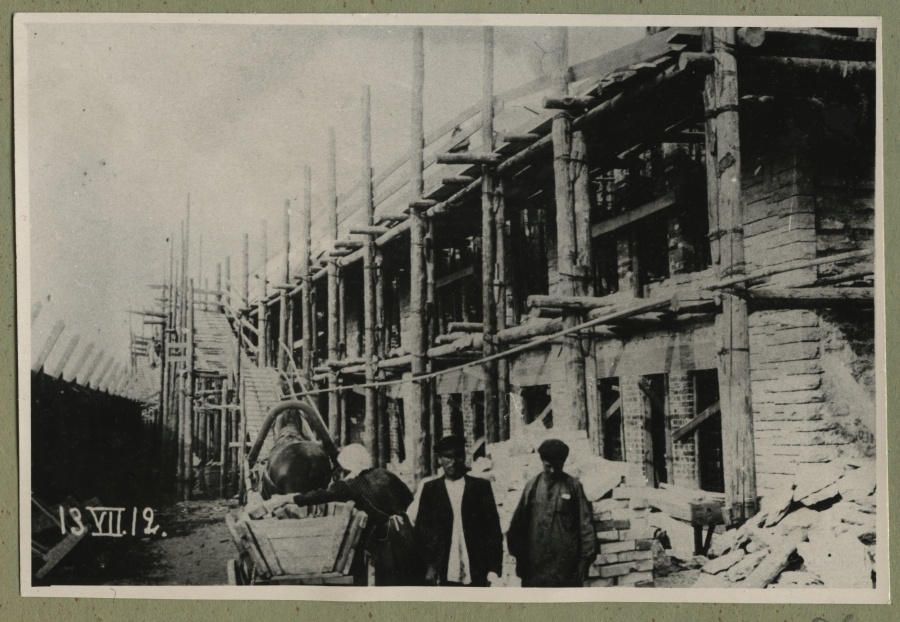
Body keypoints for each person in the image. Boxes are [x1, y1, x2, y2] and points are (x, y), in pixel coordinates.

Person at [253, 443, 424, 586]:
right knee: (411, 579)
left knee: (389, 582)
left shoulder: (348, 485)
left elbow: (317, 496)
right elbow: (409, 499)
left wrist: (286, 499)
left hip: (383, 540)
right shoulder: (385, 474)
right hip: (406, 532)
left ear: (347, 465)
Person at [413, 435, 503, 587]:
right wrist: (428, 566)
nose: (453, 462)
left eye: (458, 456)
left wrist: (493, 570)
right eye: (448, 457)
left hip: (476, 567)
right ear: (439, 459)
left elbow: (492, 530)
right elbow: (422, 532)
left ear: (464, 457)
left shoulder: (480, 487)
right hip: (443, 568)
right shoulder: (430, 489)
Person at [506, 438, 597, 587]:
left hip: (566, 568)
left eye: (557, 466)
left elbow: (585, 525)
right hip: (535, 568)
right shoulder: (532, 486)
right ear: (542, 461)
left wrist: (584, 561)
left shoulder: (573, 486)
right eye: (548, 466)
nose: (553, 471)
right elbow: (517, 526)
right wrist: (519, 558)